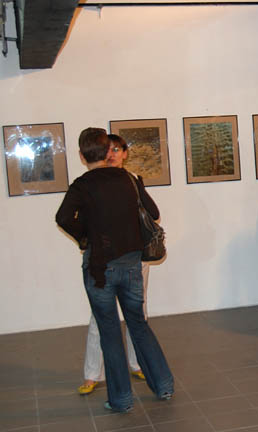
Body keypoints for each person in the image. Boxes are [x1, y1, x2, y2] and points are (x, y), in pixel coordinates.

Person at [56, 128, 173, 412]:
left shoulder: (82, 185)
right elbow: (152, 213)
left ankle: (121, 399)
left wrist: (85, 236)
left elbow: (63, 218)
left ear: (82, 155)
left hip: (100, 267)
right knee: (138, 325)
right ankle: (164, 385)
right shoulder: (129, 179)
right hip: (131, 263)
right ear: (108, 151)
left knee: (109, 332)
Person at [76, 134, 147, 395]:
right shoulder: (91, 183)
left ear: (125, 153)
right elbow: (78, 218)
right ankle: (92, 374)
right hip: (103, 260)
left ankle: (138, 363)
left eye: (117, 149)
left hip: (132, 256)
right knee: (100, 317)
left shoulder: (132, 179)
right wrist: (86, 238)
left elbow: (150, 214)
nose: (112, 154)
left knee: (137, 314)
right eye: (109, 149)